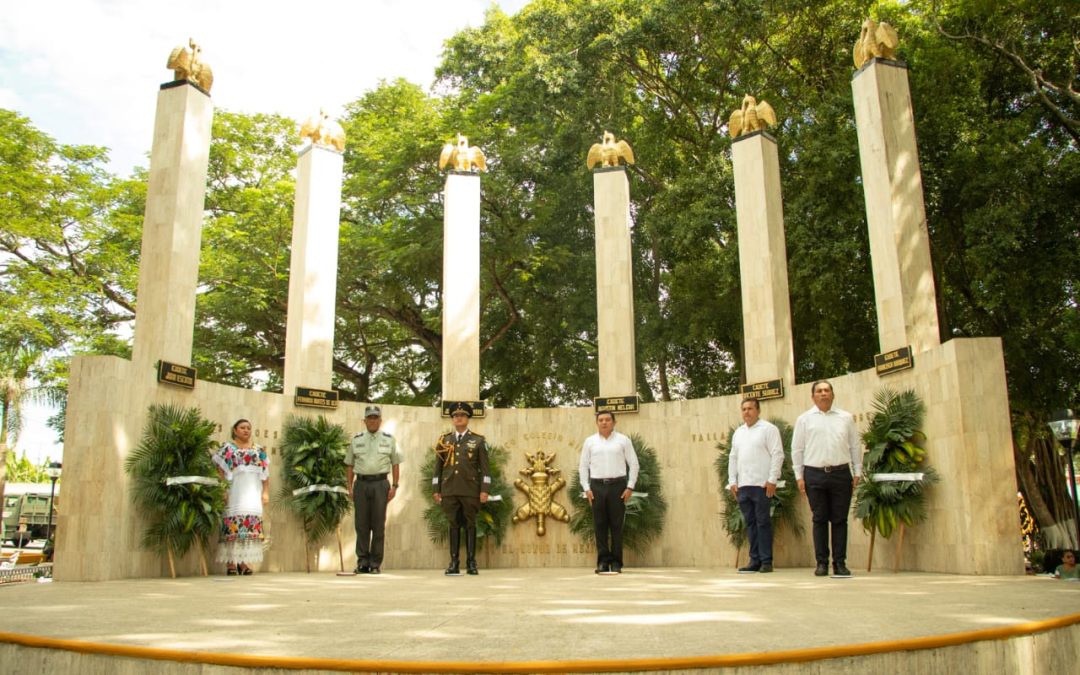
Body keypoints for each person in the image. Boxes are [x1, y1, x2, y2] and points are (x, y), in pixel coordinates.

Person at [792, 380, 862, 578]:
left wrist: (857, 471)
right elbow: (797, 449)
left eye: (827, 390)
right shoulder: (804, 419)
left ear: (833, 394)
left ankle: (840, 563)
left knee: (840, 520)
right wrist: (799, 476)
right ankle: (821, 563)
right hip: (814, 474)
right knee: (819, 519)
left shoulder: (845, 418)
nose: (823, 393)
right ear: (813, 396)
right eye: (819, 391)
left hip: (841, 473)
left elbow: (855, 446)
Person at [433, 403, 491, 575]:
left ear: (468, 419)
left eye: (462, 415)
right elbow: (438, 468)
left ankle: (472, 563)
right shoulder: (444, 440)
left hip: (470, 490)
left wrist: (484, 489)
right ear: (452, 419)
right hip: (449, 489)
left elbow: (485, 469)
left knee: (470, 525)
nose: (459, 418)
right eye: (456, 415)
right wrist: (436, 489)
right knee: (453, 525)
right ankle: (454, 563)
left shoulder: (478, 440)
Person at [579, 411, 639, 574]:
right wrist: (586, 488)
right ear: (597, 423)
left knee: (617, 526)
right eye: (601, 420)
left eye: (607, 420)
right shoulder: (590, 442)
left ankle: (617, 563)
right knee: (599, 525)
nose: (604, 422)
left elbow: (634, 464)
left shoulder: (623, 441)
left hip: (618, 486)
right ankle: (603, 563)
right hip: (596, 487)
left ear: (614, 422)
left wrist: (630, 487)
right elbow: (583, 466)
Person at [728, 398, 784, 574]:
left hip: (762, 485)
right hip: (743, 486)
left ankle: (766, 561)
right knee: (750, 523)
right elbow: (733, 457)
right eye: (744, 409)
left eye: (750, 408)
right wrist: (732, 482)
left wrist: (772, 479)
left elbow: (778, 454)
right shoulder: (738, 433)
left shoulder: (769, 429)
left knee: (763, 522)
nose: (747, 412)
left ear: (758, 410)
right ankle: (754, 560)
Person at [345, 405, 403, 575]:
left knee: (378, 525)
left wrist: (395, 485)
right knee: (361, 525)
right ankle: (362, 562)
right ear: (364, 421)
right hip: (361, 484)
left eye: (375, 418)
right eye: (369, 418)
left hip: (380, 484)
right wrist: (350, 486)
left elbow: (395, 463)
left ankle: (375, 563)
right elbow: (349, 464)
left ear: (380, 420)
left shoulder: (389, 439)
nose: (372, 420)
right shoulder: (356, 439)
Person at [212, 419, 269, 575]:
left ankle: (244, 562)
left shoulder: (258, 450)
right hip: (234, 493)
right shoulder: (228, 449)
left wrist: (265, 492)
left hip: (252, 494)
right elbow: (220, 470)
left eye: (249, 428)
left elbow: (265, 474)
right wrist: (223, 489)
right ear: (235, 430)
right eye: (242, 427)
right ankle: (231, 563)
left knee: (248, 528)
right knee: (232, 526)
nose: (246, 430)